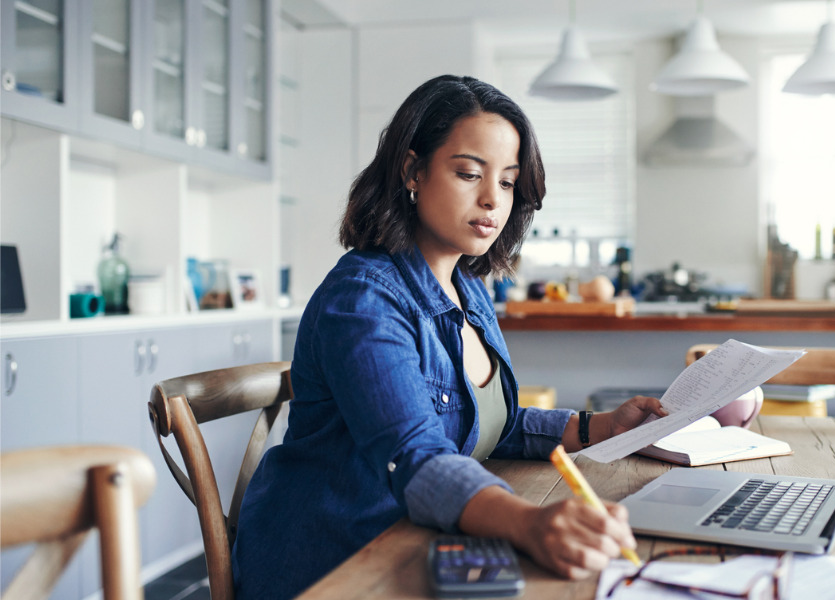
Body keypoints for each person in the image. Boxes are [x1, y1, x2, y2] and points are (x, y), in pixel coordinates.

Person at [231, 74, 666, 599]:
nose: (492, 200)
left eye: (506, 182)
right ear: (413, 170)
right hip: (337, 564)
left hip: (415, 541)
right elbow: (416, 453)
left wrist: (599, 427)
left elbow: (488, 427)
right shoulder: (364, 300)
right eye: (468, 173)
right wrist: (529, 523)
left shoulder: (469, 288)